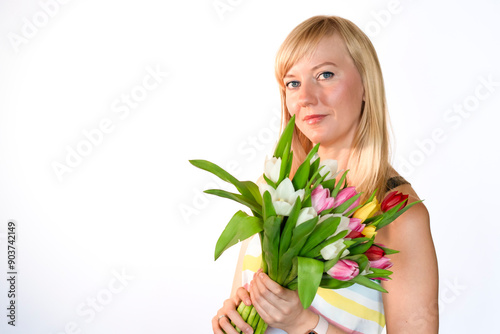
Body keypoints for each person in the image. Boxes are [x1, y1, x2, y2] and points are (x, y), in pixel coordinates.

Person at [212, 15, 438, 334]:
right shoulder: (276, 189)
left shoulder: (398, 216)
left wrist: (305, 323)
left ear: (365, 85)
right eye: (293, 82)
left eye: (325, 75)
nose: (305, 97)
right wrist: (231, 322)